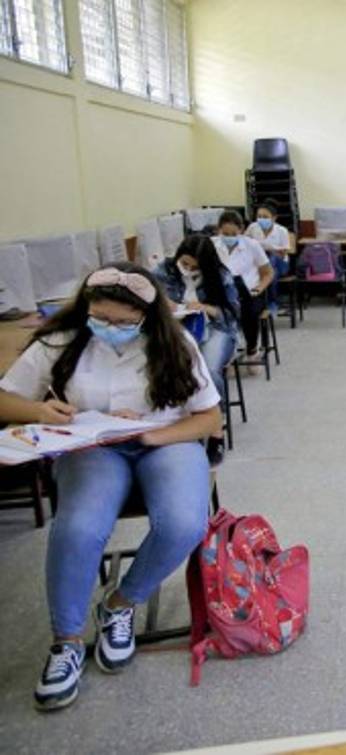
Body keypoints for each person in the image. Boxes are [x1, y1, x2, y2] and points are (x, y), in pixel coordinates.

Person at [0, 263, 222, 711]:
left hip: (163, 439)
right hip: (92, 444)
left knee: (183, 523)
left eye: (123, 323)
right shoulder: (61, 341)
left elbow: (209, 419)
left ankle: (120, 603)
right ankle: (65, 642)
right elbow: (6, 397)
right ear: (86, 307)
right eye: (100, 318)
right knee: (79, 528)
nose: (110, 329)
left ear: (146, 316)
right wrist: (43, 413)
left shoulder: (173, 343)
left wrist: (146, 433)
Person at [154, 235, 240, 399]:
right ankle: (178, 412)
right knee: (164, 368)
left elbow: (232, 313)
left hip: (216, 328)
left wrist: (205, 308)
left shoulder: (220, 275)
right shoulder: (165, 269)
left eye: (195, 267)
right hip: (176, 328)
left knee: (207, 370)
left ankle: (215, 416)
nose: (188, 269)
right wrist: (162, 302)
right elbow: (146, 295)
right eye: (185, 264)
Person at [214, 211, 274, 362]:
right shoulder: (212, 245)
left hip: (251, 293)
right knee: (217, 312)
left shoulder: (251, 245)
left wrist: (259, 288)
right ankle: (227, 353)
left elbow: (268, 273)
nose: (229, 237)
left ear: (241, 230)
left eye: (233, 233)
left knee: (249, 311)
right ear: (219, 230)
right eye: (225, 233)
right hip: (224, 293)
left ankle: (252, 348)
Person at [244, 200, 293, 312]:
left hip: (281, 264)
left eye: (265, 217)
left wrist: (268, 250)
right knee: (271, 270)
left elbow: (283, 254)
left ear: (274, 218)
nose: (261, 219)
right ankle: (266, 302)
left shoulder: (282, 231)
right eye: (259, 216)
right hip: (259, 265)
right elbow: (244, 244)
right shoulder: (253, 227)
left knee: (271, 260)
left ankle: (271, 302)